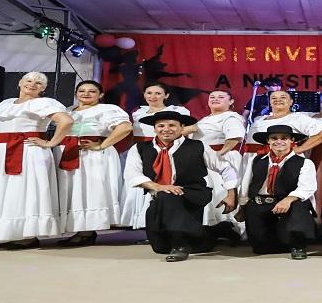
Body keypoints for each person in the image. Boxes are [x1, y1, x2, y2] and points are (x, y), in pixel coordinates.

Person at [0, 72, 73, 249]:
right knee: (4, 190)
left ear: (43, 88)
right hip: (1, 151)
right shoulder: (5, 104)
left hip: (29, 151)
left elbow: (65, 121)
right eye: (28, 80)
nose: (32, 84)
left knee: (26, 189)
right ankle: (10, 232)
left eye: (38, 83)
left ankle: (27, 235)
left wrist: (51, 142)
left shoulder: (43, 103)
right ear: (20, 83)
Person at [125, 111, 239, 262]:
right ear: (154, 129)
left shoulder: (198, 146)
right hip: (160, 194)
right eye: (161, 126)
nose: (166, 129)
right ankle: (219, 230)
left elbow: (226, 167)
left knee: (169, 196)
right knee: (161, 247)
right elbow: (132, 173)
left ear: (182, 128)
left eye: (172, 125)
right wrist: (158, 187)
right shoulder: (140, 148)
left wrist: (231, 194)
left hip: (194, 192)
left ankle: (180, 246)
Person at [54, 81, 132, 247]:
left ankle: (87, 232)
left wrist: (101, 145)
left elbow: (125, 127)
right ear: (76, 93)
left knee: (89, 189)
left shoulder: (105, 109)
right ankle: (78, 228)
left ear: (101, 94)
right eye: (81, 90)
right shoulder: (68, 111)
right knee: (72, 190)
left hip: (91, 155)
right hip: (68, 152)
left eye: (92, 91)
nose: (86, 94)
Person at [118, 81, 191, 229]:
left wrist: (167, 138)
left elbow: (192, 128)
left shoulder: (177, 112)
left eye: (158, 93)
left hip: (163, 151)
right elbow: (133, 135)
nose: (153, 96)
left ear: (166, 95)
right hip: (141, 151)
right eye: (149, 93)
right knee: (141, 183)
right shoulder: (138, 113)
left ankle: (163, 223)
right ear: (144, 95)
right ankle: (145, 224)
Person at [237, 125, 317, 259]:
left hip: (288, 204)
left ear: (292, 140)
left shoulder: (304, 163)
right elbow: (246, 185)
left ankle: (297, 245)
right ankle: (276, 240)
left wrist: (288, 200)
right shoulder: (256, 160)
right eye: (274, 138)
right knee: (260, 247)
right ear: (268, 141)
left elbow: (307, 187)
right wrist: (242, 207)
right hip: (261, 203)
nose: (279, 141)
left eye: (284, 138)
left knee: (298, 205)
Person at [185, 90, 246, 244]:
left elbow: (235, 137)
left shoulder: (230, 117)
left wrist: (218, 155)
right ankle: (212, 230)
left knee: (221, 193)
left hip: (220, 161)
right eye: (212, 97)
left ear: (231, 102)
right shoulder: (206, 119)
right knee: (210, 197)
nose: (215, 99)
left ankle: (229, 228)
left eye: (221, 97)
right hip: (204, 160)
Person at [243, 90, 322, 183]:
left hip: (282, 159)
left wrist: (300, 149)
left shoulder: (297, 118)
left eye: (283, 97)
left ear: (291, 102)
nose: (278, 100)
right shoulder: (260, 119)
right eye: (274, 98)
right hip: (254, 159)